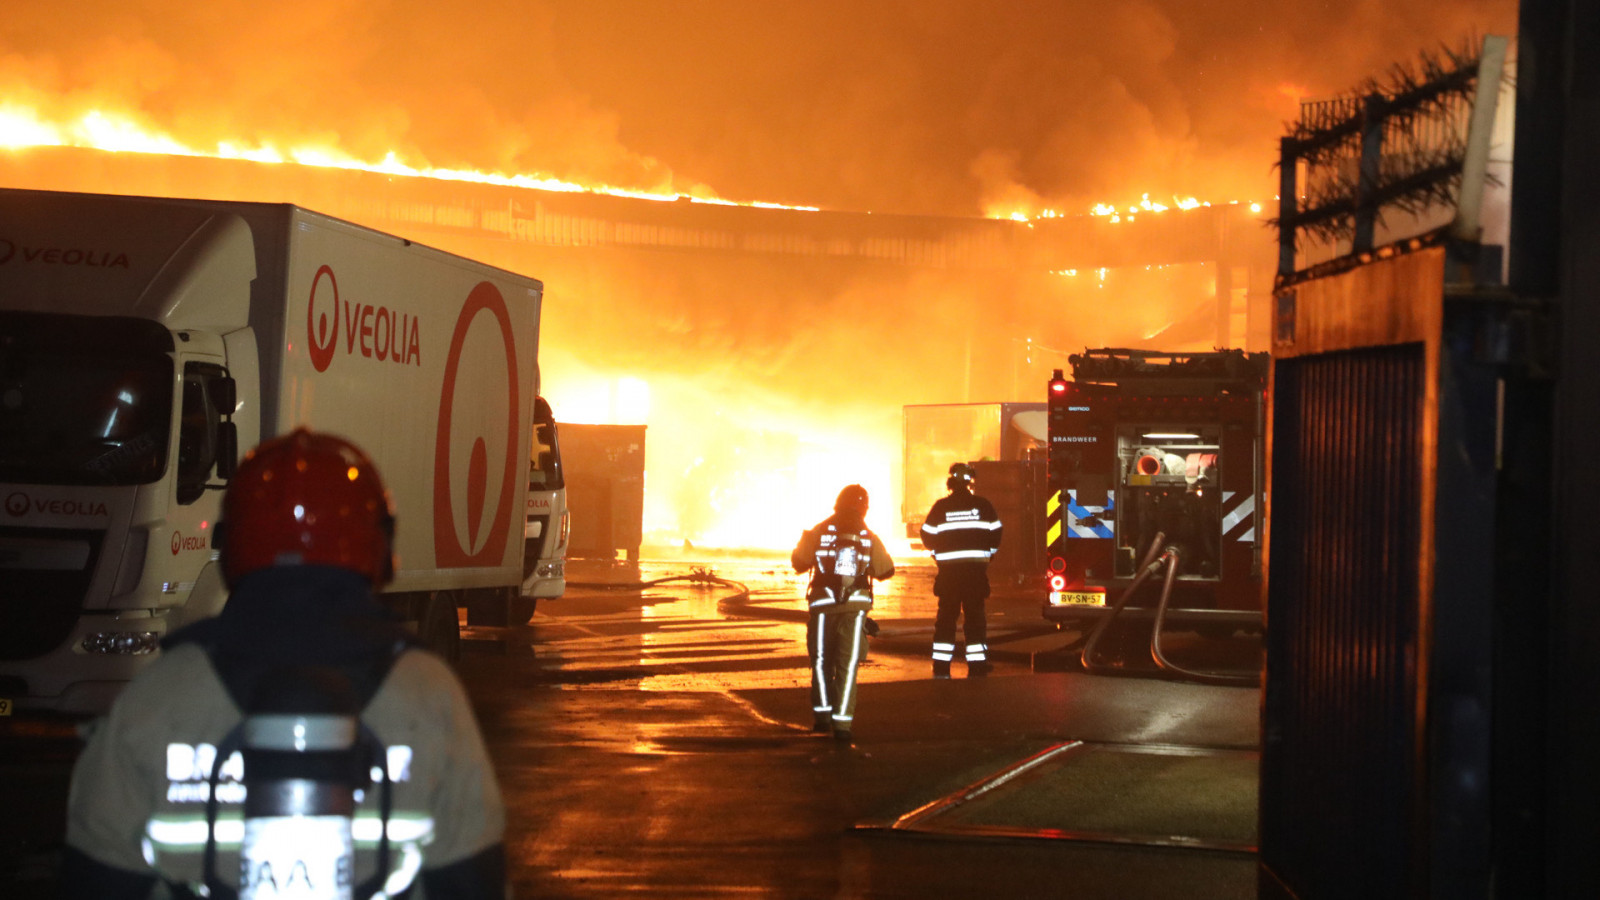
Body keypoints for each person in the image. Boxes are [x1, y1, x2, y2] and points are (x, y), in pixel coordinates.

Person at [62, 428, 506, 899]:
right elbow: (473, 881)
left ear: (230, 543)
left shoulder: (160, 692)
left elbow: (95, 878)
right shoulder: (429, 693)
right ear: (381, 545)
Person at [791, 484, 895, 743]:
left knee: (821, 663)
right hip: (854, 608)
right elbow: (886, 570)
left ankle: (822, 719)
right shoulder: (868, 535)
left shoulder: (819, 530)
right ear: (863, 507)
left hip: (822, 606)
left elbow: (798, 562)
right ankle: (843, 726)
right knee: (847, 667)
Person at [920, 463, 1004, 678]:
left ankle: (941, 665)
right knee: (975, 619)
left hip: (949, 576)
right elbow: (996, 533)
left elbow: (927, 535)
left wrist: (939, 552)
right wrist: (988, 555)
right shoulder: (983, 505)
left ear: (950, 482)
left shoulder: (941, 507)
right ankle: (977, 664)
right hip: (975, 575)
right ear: (970, 482)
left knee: (946, 620)